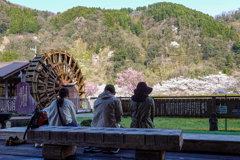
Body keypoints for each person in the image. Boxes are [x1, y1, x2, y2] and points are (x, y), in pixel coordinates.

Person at [86, 84, 122, 154]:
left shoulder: (97, 100)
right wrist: (116, 123)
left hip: (96, 127)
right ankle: (113, 147)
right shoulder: (116, 100)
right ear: (114, 93)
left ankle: (97, 146)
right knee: (121, 129)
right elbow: (119, 116)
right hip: (110, 126)